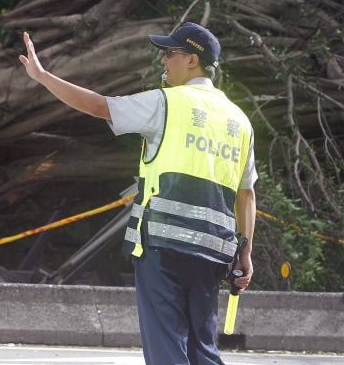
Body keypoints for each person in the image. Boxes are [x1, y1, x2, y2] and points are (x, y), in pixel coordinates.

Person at [19, 22, 256, 365]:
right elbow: (246, 195)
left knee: (166, 348)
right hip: (213, 254)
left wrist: (43, 77)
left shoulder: (168, 103)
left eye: (170, 53)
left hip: (163, 247)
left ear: (192, 60)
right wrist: (245, 252)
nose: (164, 61)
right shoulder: (241, 122)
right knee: (202, 349)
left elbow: (102, 107)